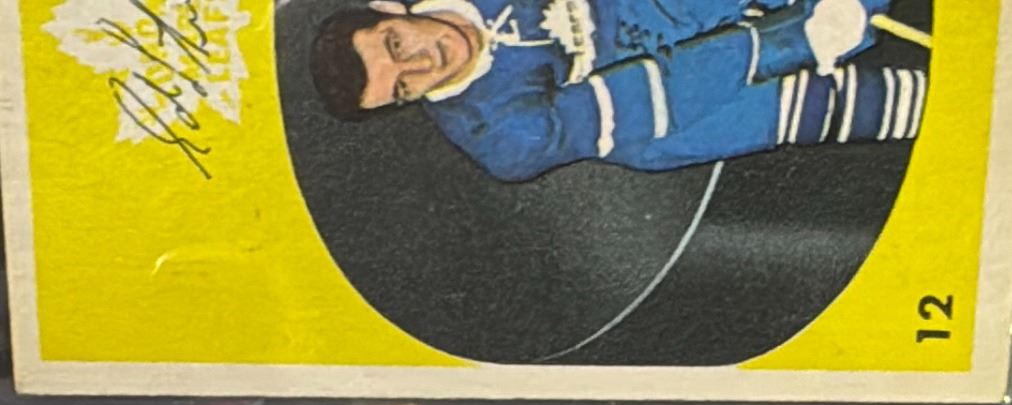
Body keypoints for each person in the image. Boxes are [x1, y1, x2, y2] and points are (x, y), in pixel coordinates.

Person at [307, 0, 927, 182]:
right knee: (654, 136)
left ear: (388, 9)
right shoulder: (497, 136)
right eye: (404, 88)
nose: (424, 63)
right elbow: (654, 92)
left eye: (396, 44)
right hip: (675, 98)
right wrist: (789, 42)